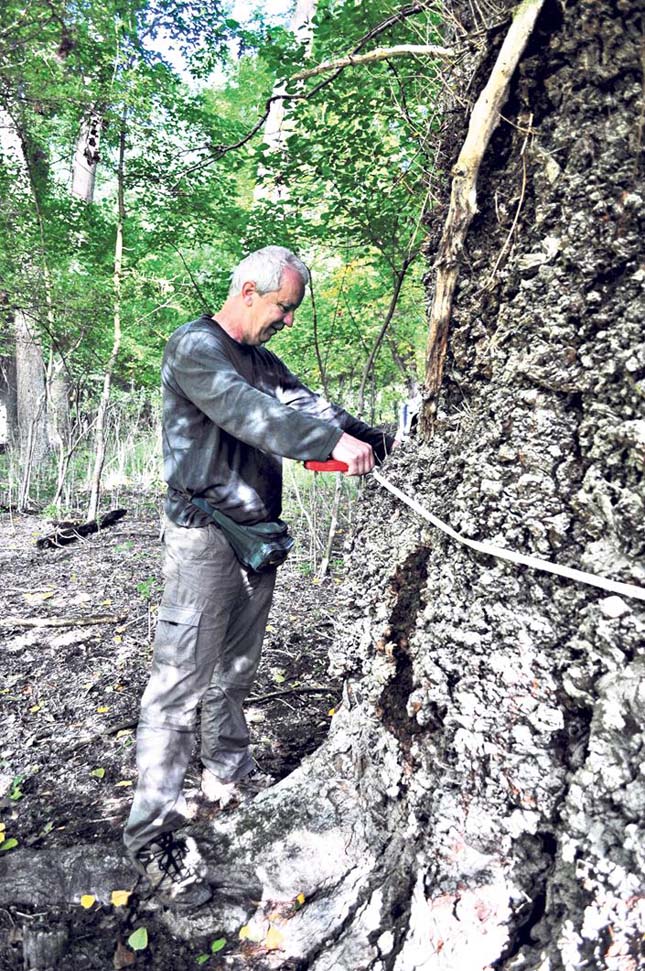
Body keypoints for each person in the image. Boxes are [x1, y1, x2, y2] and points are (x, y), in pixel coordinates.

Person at [123, 245, 394, 906]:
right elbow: (243, 410)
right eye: (283, 307)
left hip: (256, 537)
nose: (288, 321)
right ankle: (149, 835)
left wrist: (382, 437)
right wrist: (326, 446)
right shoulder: (195, 348)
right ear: (248, 290)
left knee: (235, 671)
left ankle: (227, 775)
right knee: (179, 685)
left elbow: (312, 408)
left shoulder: (263, 360)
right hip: (204, 537)